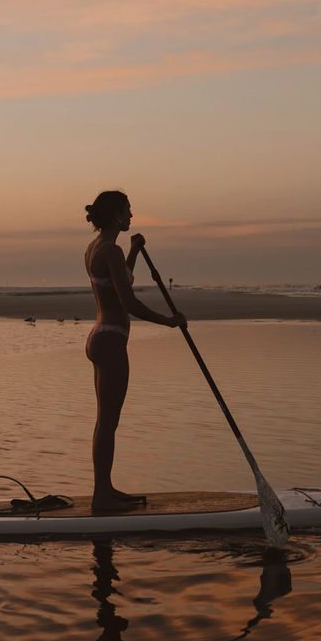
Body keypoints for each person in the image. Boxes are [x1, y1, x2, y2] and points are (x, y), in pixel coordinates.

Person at [84, 190, 186, 512]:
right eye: (128, 211)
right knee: (108, 421)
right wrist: (168, 321)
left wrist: (134, 253)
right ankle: (102, 496)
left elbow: (120, 283)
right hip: (111, 340)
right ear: (116, 215)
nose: (131, 217)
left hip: (100, 337)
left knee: (106, 421)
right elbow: (127, 302)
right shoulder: (109, 251)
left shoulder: (96, 248)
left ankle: (105, 489)